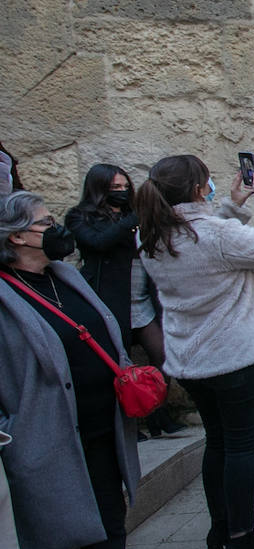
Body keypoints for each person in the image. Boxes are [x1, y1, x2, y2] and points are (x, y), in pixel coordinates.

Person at [1, 191, 173, 549]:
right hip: (41, 435)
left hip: (100, 426)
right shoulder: (5, 294)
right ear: (16, 236)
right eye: (45, 223)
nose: (57, 229)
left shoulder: (66, 276)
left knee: (107, 515)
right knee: (44, 542)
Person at [136, 155, 254, 549]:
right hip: (235, 356)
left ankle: (219, 533)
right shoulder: (216, 236)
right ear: (195, 191)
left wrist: (231, 206)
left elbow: (202, 239)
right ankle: (242, 540)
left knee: (218, 443)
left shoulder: (151, 238)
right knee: (242, 447)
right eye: (206, 185)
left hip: (193, 361)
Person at [65, 163, 185, 438]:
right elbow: (97, 242)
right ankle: (129, 423)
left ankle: (157, 413)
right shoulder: (80, 217)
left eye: (125, 187)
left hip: (141, 296)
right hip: (109, 300)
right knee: (118, 364)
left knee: (163, 355)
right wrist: (132, 220)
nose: (122, 192)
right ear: (99, 190)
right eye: (114, 188)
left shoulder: (133, 214)